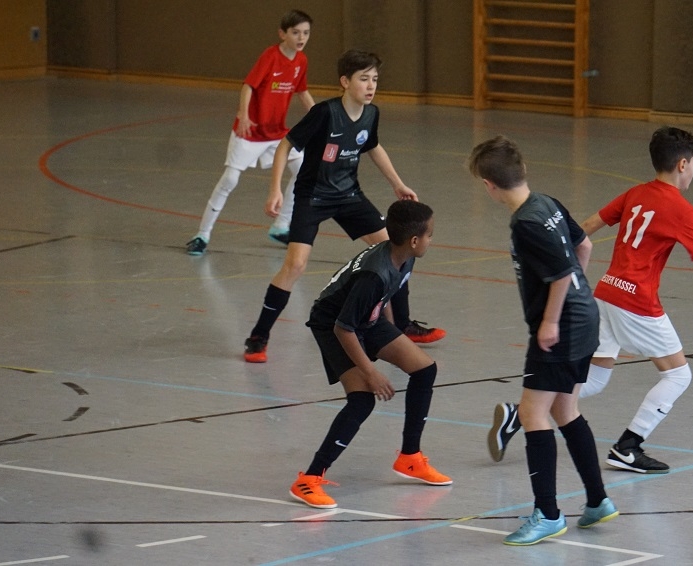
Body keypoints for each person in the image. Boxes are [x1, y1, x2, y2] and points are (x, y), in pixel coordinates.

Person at [488, 127, 693, 477]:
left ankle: (519, 414)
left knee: (595, 379)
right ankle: (628, 446)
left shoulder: (636, 193)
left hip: (605, 294)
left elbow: (587, 226)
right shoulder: (681, 210)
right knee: (678, 375)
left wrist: (560, 260)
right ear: (682, 164)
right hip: (637, 302)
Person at [243, 49, 444, 363]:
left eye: (374, 79)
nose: (370, 85)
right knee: (295, 265)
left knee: (398, 249)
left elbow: (373, 146)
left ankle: (401, 325)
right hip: (313, 196)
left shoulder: (371, 114)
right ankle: (258, 336)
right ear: (345, 81)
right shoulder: (325, 113)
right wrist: (275, 190)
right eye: (364, 79)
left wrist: (397, 183)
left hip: (349, 195)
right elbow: (286, 145)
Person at [469, 135, 618, 546]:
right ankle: (598, 500)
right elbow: (584, 245)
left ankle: (548, 513)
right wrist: (577, 294)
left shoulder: (526, 223)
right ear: (523, 170)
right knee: (566, 409)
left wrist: (551, 321)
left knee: (533, 414)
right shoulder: (546, 203)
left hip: (562, 328)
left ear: (489, 185)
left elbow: (559, 275)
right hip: (585, 317)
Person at [289, 200, 451, 509]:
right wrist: (371, 372)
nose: (431, 240)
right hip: (333, 324)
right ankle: (309, 479)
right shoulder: (373, 274)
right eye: (429, 235)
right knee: (362, 399)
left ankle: (410, 457)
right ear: (414, 240)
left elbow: (386, 295)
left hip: (367, 319)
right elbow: (343, 328)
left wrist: (389, 334)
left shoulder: (403, 257)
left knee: (424, 369)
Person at [186, 10, 315, 256]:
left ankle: (281, 225)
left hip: (277, 133)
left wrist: (321, 117)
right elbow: (248, 85)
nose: (301, 38)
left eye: (306, 33)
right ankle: (202, 234)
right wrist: (243, 114)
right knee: (230, 180)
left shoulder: (301, 61)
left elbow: (302, 91)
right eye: (296, 32)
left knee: (303, 170)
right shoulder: (270, 56)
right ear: (282, 34)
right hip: (251, 132)